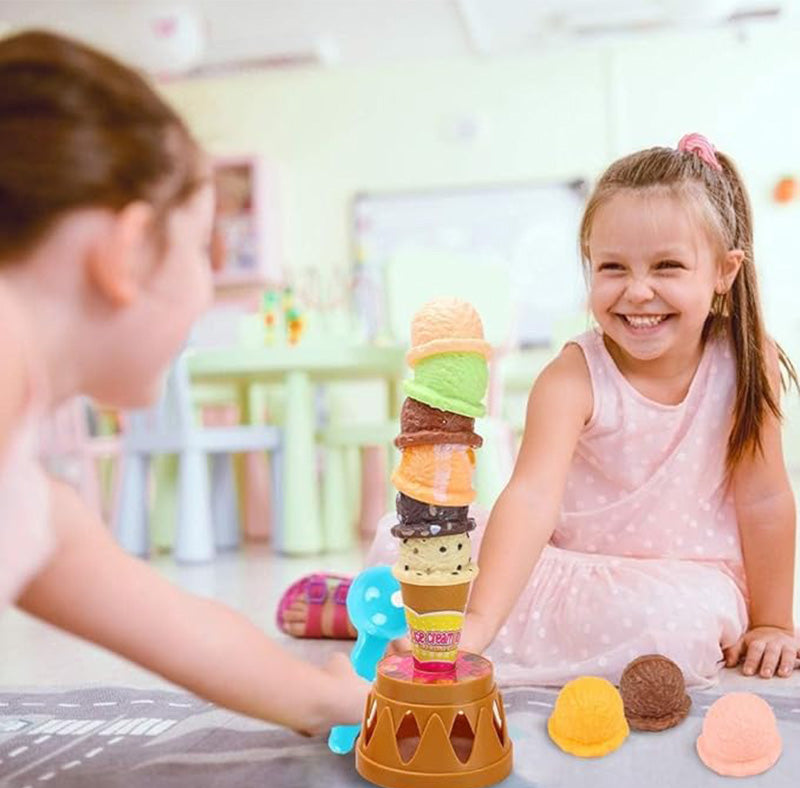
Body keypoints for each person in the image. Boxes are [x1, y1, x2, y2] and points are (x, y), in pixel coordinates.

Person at [285, 133, 800, 690]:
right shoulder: (572, 376)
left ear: (724, 271)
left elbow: (765, 499)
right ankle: (371, 609)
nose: (637, 291)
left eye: (667, 266)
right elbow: (530, 500)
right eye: (613, 267)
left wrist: (772, 622)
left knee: (676, 627)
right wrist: (480, 621)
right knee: (417, 543)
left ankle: (389, 615)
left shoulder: (746, 362)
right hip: (565, 566)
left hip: (683, 582)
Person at [0, 30, 367, 735]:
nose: (208, 284)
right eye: (203, 248)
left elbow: (183, 629)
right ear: (129, 251)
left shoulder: (25, 497)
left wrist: (330, 700)